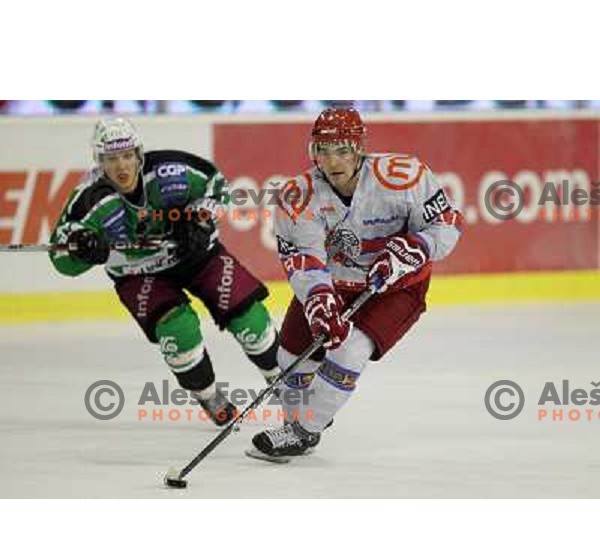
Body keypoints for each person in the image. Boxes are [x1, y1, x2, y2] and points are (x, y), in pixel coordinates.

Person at [246, 107, 464, 462]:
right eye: (324, 150)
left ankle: (304, 432)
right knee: (289, 358)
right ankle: (295, 424)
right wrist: (318, 301)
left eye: (343, 150)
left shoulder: (404, 176)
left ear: (359, 149)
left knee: (349, 350)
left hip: (397, 287)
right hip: (333, 281)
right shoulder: (296, 196)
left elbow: (447, 223)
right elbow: (305, 260)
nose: (332, 161)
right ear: (312, 150)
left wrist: (417, 246)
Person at [49, 118, 280, 426]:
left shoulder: (171, 172)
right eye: (112, 158)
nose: (122, 166)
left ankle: (281, 380)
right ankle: (209, 397)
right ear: (99, 161)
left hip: (196, 256)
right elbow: (62, 258)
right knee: (178, 331)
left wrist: (200, 218)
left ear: (139, 154)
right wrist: (83, 250)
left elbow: (217, 187)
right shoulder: (88, 201)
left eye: (128, 155)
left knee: (249, 317)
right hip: (138, 273)